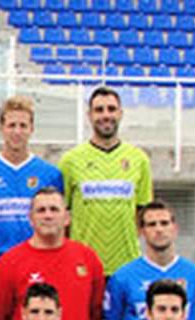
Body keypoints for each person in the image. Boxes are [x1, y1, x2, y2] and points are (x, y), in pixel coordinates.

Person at [0, 187, 105, 320]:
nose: (48, 216)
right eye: (41, 210)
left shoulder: (87, 258)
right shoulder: (9, 262)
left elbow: (95, 315)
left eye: (54, 209)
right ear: (31, 219)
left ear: (67, 218)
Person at [59, 86, 153, 276]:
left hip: (127, 264)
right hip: (83, 265)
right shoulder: (70, 161)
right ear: (89, 115)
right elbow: (63, 216)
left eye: (111, 109)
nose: (105, 115)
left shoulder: (138, 159)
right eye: (99, 110)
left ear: (120, 113)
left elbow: (142, 212)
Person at [104, 199, 195, 320]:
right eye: (151, 224)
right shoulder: (122, 278)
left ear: (175, 228)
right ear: (141, 231)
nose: (159, 229)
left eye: (164, 223)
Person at [0, 96, 64, 257]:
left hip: (40, 259)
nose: (17, 132)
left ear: (31, 128)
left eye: (23, 126)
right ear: (2, 128)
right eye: (11, 125)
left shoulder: (50, 174)